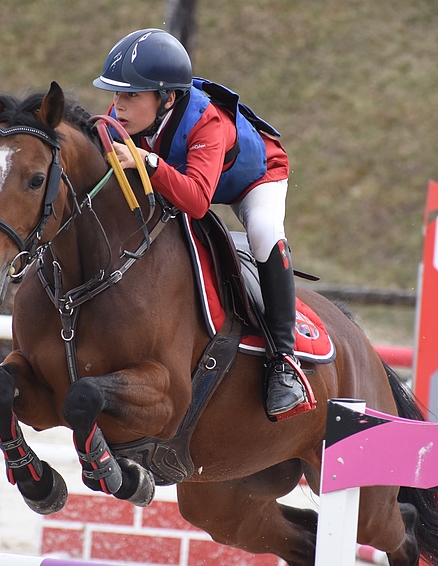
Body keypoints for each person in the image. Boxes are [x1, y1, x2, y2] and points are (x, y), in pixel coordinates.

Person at [92, 28, 311, 419]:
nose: (117, 107)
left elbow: (196, 201)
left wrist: (149, 162)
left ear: (167, 98)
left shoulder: (205, 122)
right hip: (188, 175)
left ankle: (284, 362)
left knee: (262, 233)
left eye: (130, 95)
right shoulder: (118, 119)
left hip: (254, 179)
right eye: (115, 94)